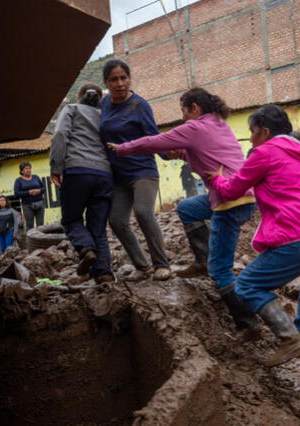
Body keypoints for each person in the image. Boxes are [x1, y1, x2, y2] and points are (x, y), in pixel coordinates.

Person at [209, 105, 300, 407]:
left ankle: (287, 338)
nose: (250, 139)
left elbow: (233, 190)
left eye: (251, 133)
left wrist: (214, 178)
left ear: (265, 133)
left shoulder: (265, 152)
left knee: (247, 285)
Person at [108, 87, 258, 339]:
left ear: (194, 109)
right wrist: (185, 153)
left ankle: (248, 324)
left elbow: (153, 142)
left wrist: (122, 148)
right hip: (242, 195)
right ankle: (202, 259)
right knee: (187, 207)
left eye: (183, 112)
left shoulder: (195, 127)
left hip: (229, 201)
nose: (183, 118)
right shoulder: (218, 124)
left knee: (220, 271)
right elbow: (209, 154)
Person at [100, 58, 171, 281]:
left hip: (143, 171)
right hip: (118, 176)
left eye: (124, 78)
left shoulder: (140, 106)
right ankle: (142, 266)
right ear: (106, 82)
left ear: (129, 79)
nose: (120, 83)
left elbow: (152, 136)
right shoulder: (103, 104)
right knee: (117, 220)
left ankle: (162, 264)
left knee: (143, 212)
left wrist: (169, 153)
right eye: (114, 79)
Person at [50, 83, 114, 282]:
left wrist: (56, 167)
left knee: (71, 219)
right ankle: (103, 273)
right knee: (98, 227)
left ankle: (86, 249)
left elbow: (60, 135)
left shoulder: (71, 109)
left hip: (77, 171)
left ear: (79, 97)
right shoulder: (106, 116)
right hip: (104, 174)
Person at [14, 161, 46, 230]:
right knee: (29, 225)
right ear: (21, 171)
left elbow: (44, 188)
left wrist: (39, 191)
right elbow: (16, 193)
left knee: (41, 225)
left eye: (29, 168)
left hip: (40, 203)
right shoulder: (18, 181)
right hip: (27, 205)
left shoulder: (36, 177)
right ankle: (31, 240)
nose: (28, 170)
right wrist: (28, 192)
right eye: (26, 168)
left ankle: (41, 240)